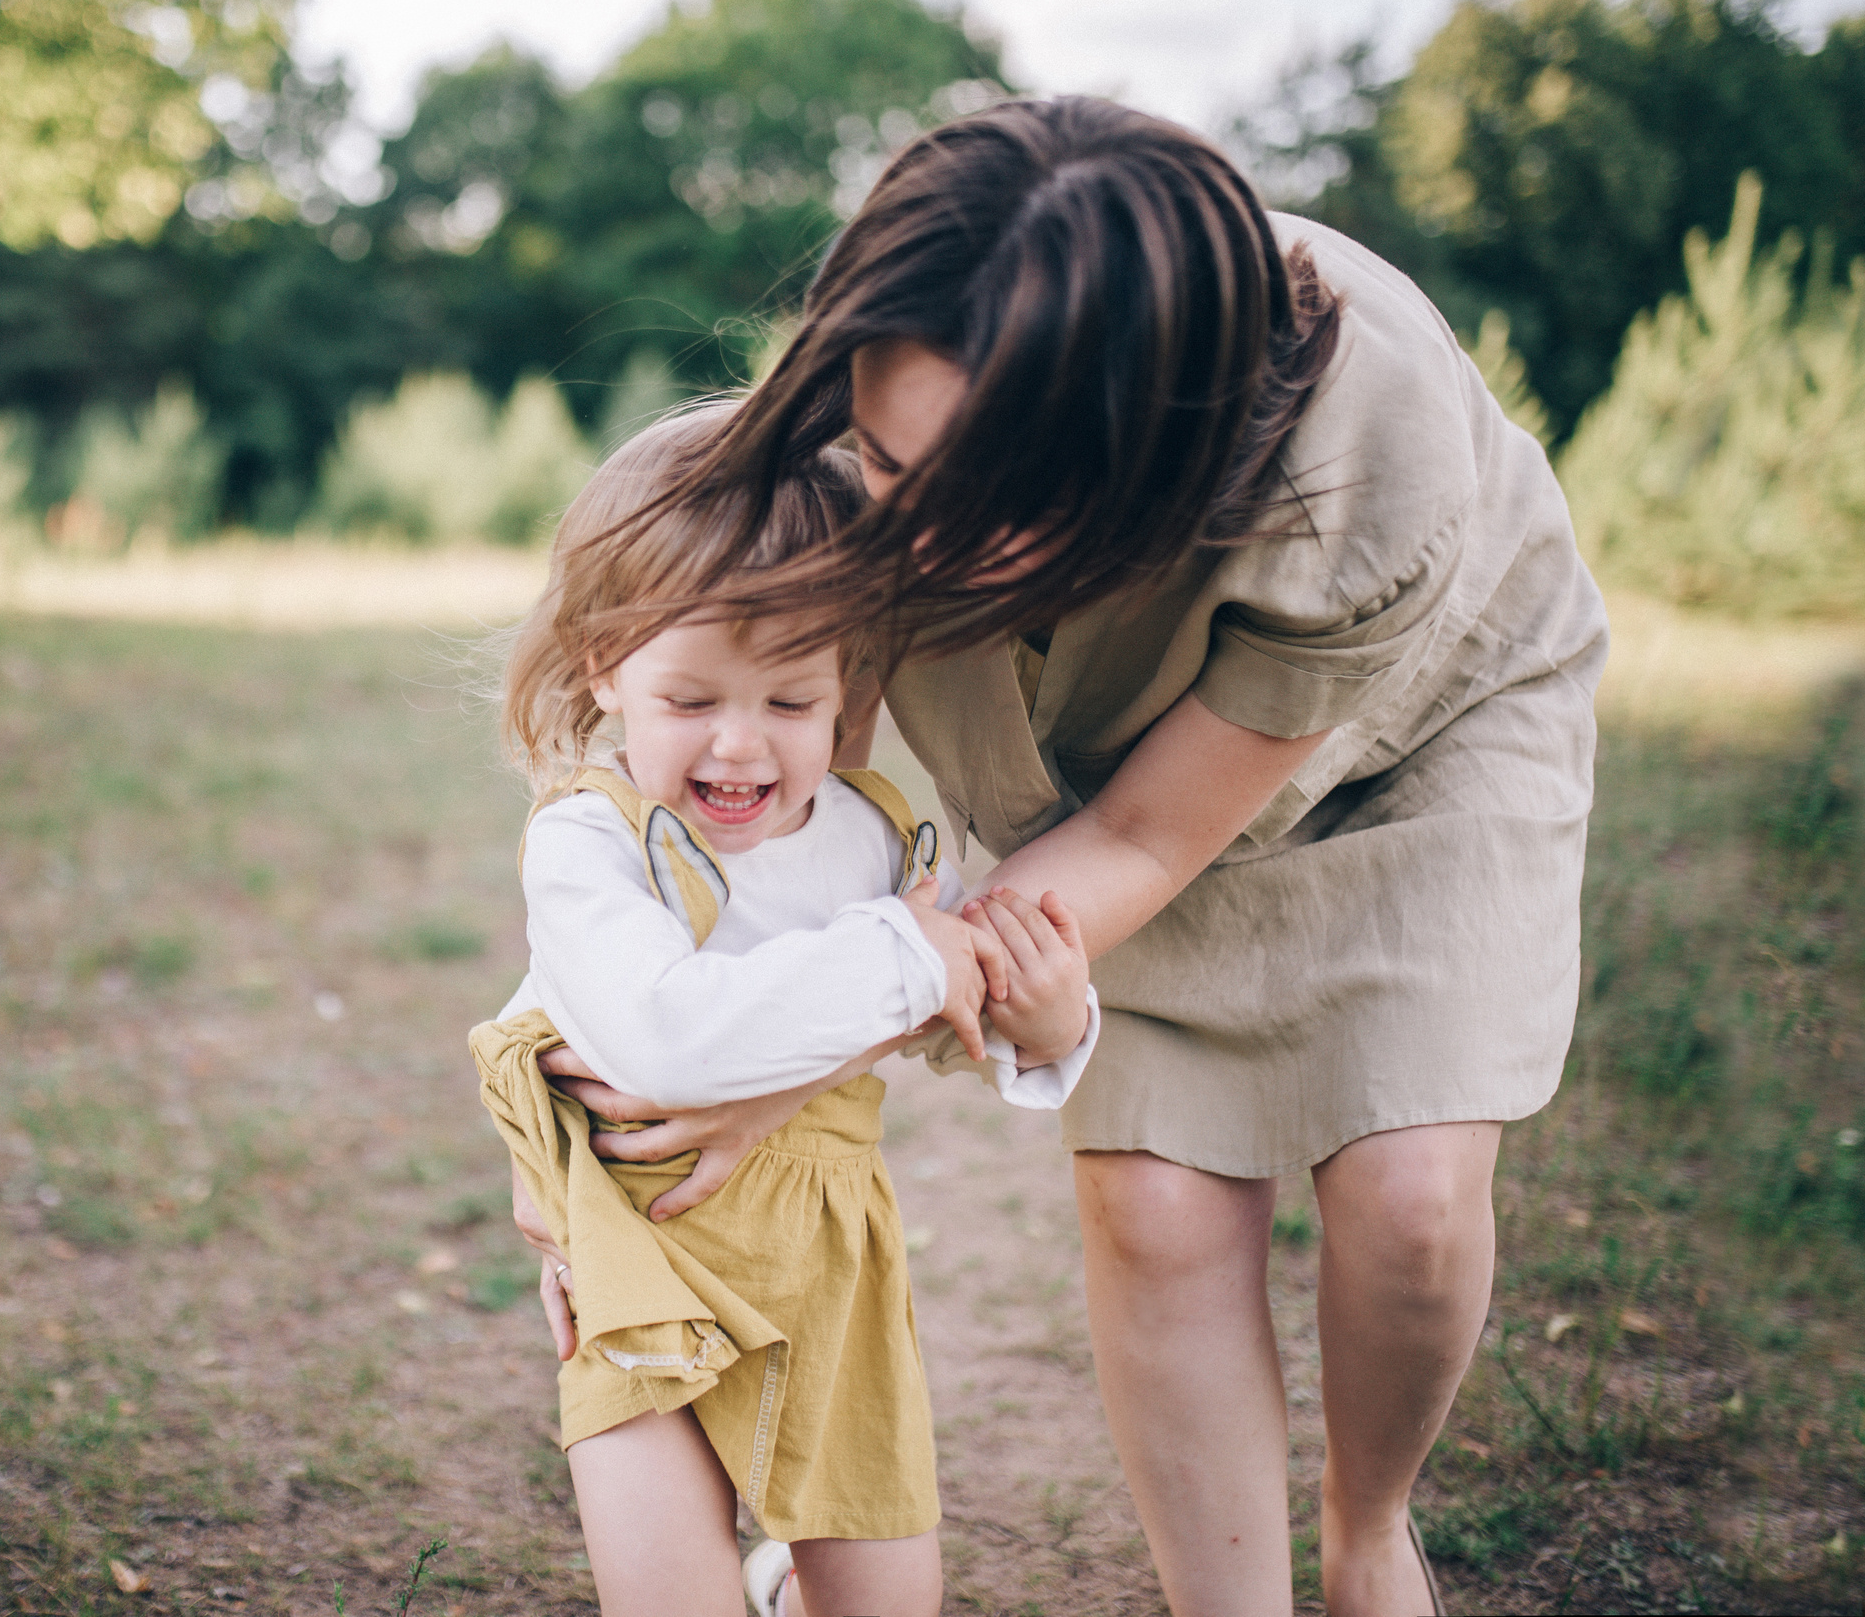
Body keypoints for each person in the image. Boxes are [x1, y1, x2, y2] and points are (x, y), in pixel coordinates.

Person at [528, 98, 1607, 1617]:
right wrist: (591, 1120)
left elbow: (1155, 832)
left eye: (984, 497)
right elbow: (718, 807)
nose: (908, 538)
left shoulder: (1370, 452)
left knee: (1413, 1198)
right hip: (1075, 746)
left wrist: (796, 1058)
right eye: (893, 466)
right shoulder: (881, 375)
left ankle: (1370, 1527)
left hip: (1420, 730)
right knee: (1158, 1201)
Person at [474, 401, 1100, 1617]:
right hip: (647, 1263)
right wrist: (911, 948)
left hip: (831, 1273)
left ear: (850, 680)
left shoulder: (873, 838)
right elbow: (668, 1037)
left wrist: (1051, 1011)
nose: (740, 747)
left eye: (790, 702)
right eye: (691, 697)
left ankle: (791, 1588)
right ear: (605, 663)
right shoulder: (587, 843)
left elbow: (968, 1013)